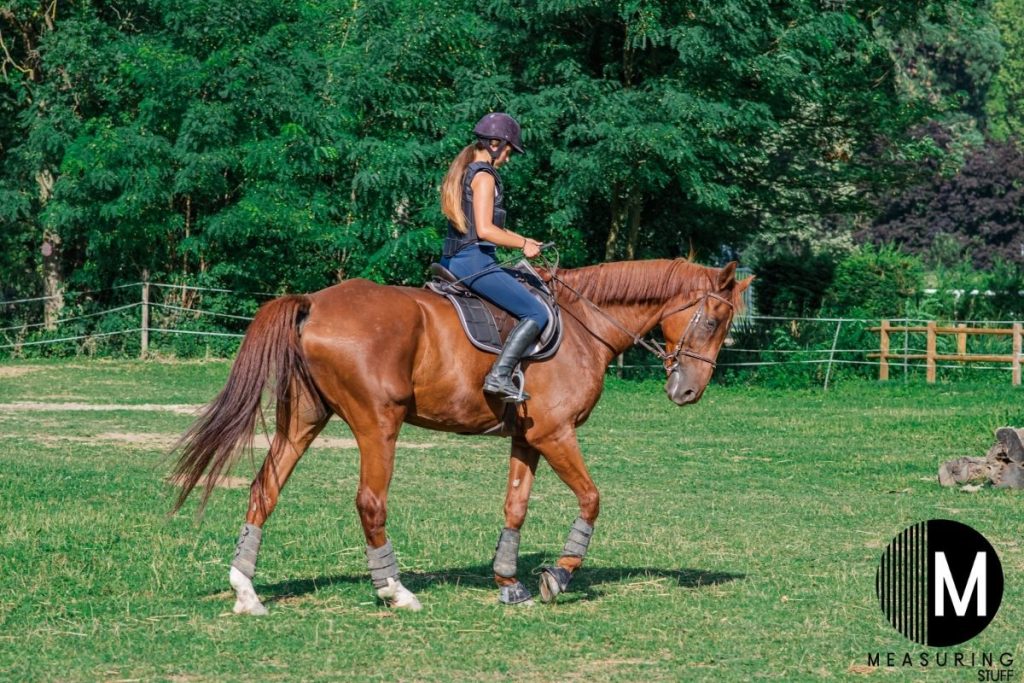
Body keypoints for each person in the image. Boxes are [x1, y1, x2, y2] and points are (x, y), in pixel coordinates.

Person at [439, 112, 549, 403]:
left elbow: (485, 227)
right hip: (473, 260)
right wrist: (522, 243)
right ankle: (499, 376)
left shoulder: (466, 171)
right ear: (496, 144)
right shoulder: (484, 176)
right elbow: (486, 231)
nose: (509, 159)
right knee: (537, 312)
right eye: (509, 151)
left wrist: (524, 240)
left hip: (455, 258)